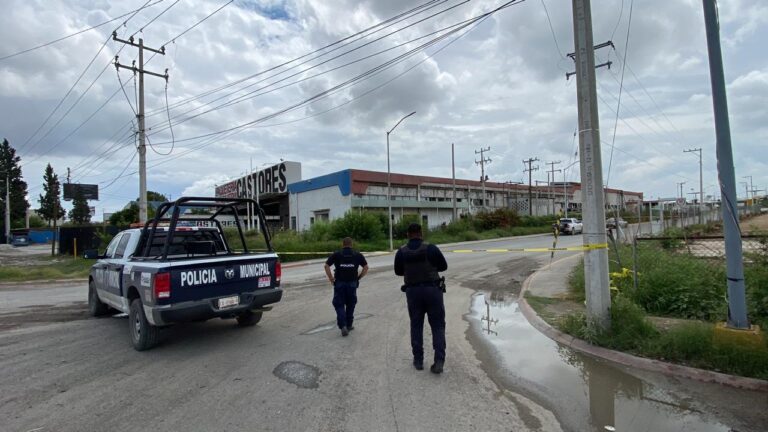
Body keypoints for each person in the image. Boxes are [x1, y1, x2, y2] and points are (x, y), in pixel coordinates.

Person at [394, 223, 448, 374]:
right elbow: (443, 266)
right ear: (421, 233)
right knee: (437, 326)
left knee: (416, 325)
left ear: (408, 234)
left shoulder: (401, 251)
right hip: (432, 291)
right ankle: (439, 361)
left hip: (413, 292)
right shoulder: (431, 248)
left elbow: (398, 272)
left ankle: (418, 361)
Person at [324, 237, 368, 336]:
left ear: (342, 244)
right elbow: (366, 267)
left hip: (339, 283)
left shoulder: (337, 254)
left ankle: (343, 325)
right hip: (352, 283)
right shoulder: (357, 254)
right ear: (351, 244)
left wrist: (331, 278)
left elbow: (326, 265)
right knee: (351, 303)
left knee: (339, 304)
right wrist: (358, 277)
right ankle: (349, 325)